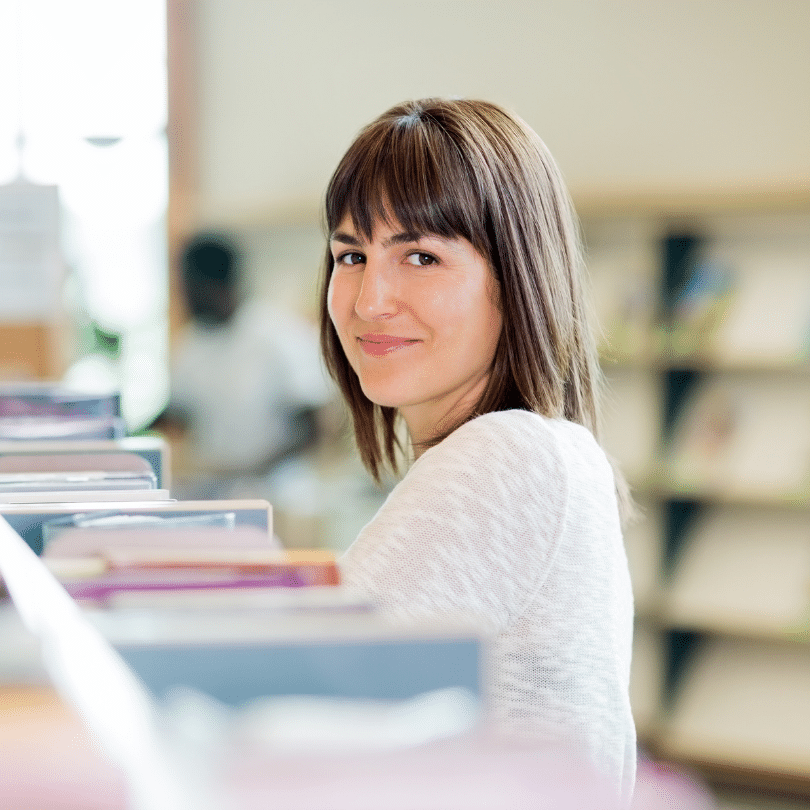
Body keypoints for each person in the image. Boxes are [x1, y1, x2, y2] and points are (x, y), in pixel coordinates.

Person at [319, 98, 636, 802]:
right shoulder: (549, 448)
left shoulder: (508, 456)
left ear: (515, 275)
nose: (370, 298)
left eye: (421, 256)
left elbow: (308, 686)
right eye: (351, 254)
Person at [160, 232, 333, 499]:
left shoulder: (280, 336)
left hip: (277, 494)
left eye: (187, 287)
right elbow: (177, 414)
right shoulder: (191, 342)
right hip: (211, 490)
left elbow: (313, 428)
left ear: (214, 284)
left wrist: (251, 472)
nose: (182, 297)